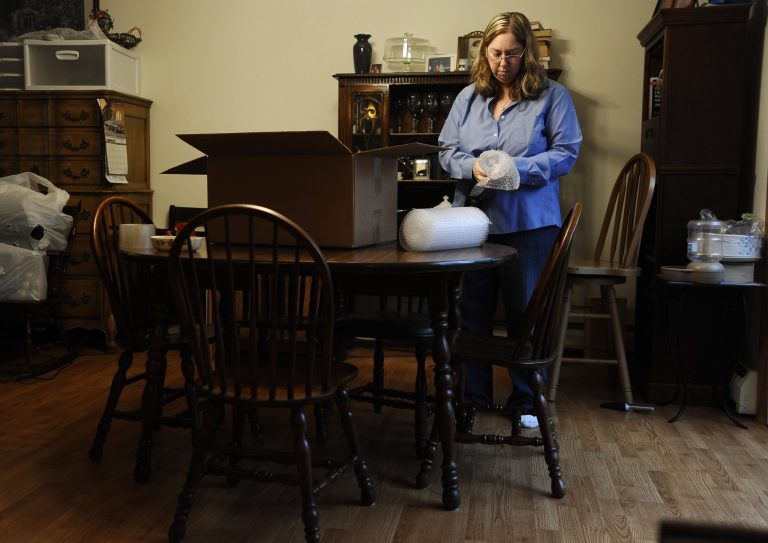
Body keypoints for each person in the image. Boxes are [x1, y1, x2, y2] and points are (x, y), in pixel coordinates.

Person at [438, 12, 582, 427]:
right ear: (485, 52)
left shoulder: (554, 96)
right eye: (496, 53)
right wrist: (474, 169)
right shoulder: (468, 98)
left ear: (528, 54)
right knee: (473, 312)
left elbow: (566, 153)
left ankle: (524, 400)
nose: (503, 62)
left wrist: (516, 170)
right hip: (473, 223)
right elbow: (447, 151)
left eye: (513, 54)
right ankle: (474, 395)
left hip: (530, 223)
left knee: (524, 314)